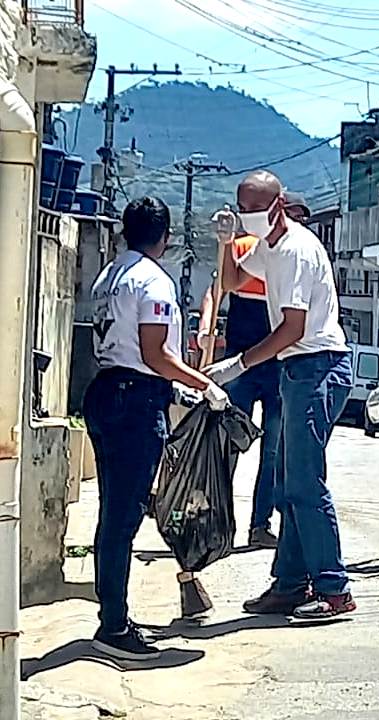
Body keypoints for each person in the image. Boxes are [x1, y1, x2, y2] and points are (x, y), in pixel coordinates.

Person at [85, 196, 229, 660]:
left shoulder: (108, 276)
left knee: (114, 513)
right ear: (165, 238)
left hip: (104, 389)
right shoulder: (155, 282)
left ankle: (113, 613)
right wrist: (203, 383)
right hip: (134, 400)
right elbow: (155, 354)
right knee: (123, 518)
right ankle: (114, 627)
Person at [207, 170, 356, 619]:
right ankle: (291, 583)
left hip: (317, 365)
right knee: (290, 482)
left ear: (278, 204)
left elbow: (292, 326)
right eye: (243, 208)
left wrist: (240, 362)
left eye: (255, 208)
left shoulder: (294, 250)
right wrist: (225, 242)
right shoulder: (268, 248)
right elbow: (232, 282)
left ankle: (334, 589)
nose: (249, 216)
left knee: (305, 483)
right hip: (298, 368)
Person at [199, 225, 281, 549]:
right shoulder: (241, 247)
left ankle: (260, 525)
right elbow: (215, 290)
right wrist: (206, 327)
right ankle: (218, 524)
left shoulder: (287, 254)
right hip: (239, 366)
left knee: (273, 452)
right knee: (228, 446)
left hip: (277, 365)